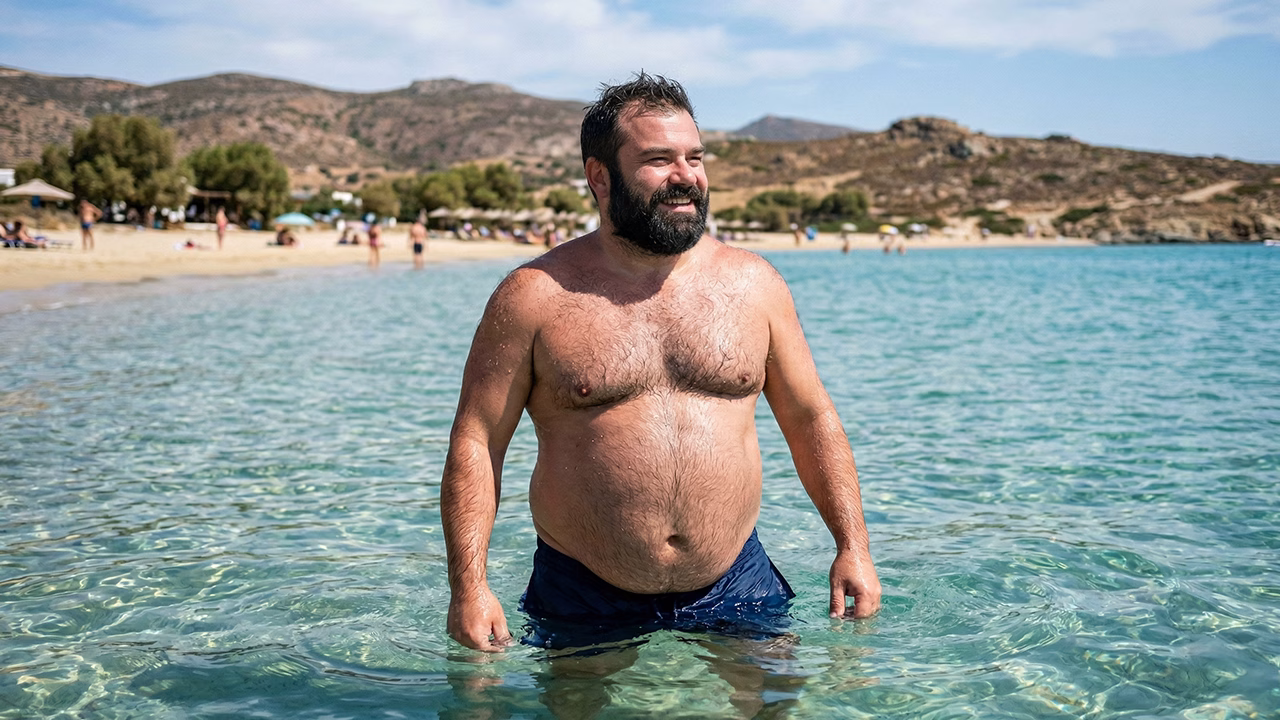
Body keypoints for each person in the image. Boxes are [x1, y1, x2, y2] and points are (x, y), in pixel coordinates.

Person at [442, 73, 880, 659]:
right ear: (600, 177)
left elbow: (810, 419)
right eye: (658, 159)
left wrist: (853, 546)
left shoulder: (755, 286)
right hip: (582, 591)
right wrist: (468, 587)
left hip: (736, 583)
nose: (686, 176)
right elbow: (477, 441)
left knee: (778, 707)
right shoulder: (534, 296)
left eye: (695, 157)